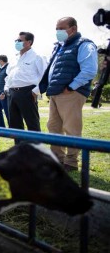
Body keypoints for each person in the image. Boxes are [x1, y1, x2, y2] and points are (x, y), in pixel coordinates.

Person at [39, 17, 98, 171]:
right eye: (56, 28)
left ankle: (71, 162)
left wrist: (71, 87)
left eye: (61, 28)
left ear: (73, 29)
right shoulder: (59, 46)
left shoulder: (84, 45)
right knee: (53, 126)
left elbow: (89, 70)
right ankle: (57, 159)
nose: (58, 32)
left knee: (71, 128)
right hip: (56, 92)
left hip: (70, 93)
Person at [4, 31, 47, 133]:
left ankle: (35, 148)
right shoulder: (14, 58)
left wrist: (35, 91)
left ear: (29, 42)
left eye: (19, 40)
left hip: (28, 92)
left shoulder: (37, 56)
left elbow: (45, 76)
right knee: (15, 125)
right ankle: (19, 148)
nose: (17, 42)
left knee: (32, 124)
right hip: (12, 93)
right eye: (16, 40)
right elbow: (8, 75)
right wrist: (6, 88)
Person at [0, 55, 10, 127]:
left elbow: (9, 81)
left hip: (4, 93)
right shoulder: (1, 69)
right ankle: (1, 128)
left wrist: (4, 92)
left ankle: (12, 128)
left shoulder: (8, 68)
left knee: (7, 111)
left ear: (1, 61)